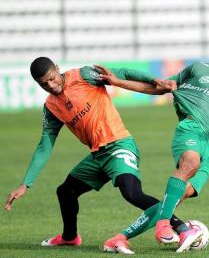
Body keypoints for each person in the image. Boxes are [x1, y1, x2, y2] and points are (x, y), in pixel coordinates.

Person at [4, 57, 190, 254]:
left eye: (52, 78)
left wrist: (155, 81)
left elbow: (123, 73)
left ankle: (182, 227)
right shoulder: (51, 107)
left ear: (57, 69)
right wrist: (26, 183)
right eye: (44, 84)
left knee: (132, 193)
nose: (51, 85)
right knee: (66, 192)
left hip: (119, 145)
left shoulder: (84, 75)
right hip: (98, 156)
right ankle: (70, 238)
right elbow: (45, 145)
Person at [101, 29, 209, 253]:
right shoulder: (198, 69)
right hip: (190, 129)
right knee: (190, 162)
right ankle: (164, 226)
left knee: (171, 200)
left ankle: (119, 238)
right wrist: (117, 82)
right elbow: (158, 87)